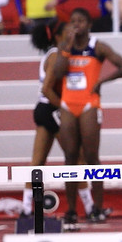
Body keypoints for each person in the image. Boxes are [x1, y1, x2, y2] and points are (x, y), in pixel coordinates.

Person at [46, 7, 122, 227]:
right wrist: (66, 47)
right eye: (73, 21)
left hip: (89, 105)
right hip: (67, 105)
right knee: (70, 158)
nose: (76, 25)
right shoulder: (64, 48)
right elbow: (58, 74)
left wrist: (102, 81)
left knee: (92, 157)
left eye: (81, 21)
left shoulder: (97, 47)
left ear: (89, 24)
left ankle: (98, 208)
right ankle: (72, 210)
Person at [22, 19, 97, 217]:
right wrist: (66, 108)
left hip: (44, 110)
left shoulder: (57, 54)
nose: (73, 32)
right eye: (69, 30)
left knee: (38, 161)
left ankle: (25, 208)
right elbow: (47, 89)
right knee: (76, 158)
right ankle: (90, 208)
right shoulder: (55, 56)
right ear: (58, 36)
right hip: (51, 109)